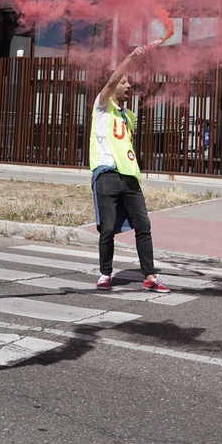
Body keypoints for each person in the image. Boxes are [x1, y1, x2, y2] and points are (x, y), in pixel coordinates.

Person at [90, 45, 170, 293]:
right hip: (107, 174)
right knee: (108, 228)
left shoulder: (130, 115)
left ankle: (149, 275)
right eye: (123, 82)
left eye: (130, 83)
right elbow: (113, 78)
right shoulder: (102, 107)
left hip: (130, 178)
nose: (128, 86)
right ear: (113, 85)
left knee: (143, 226)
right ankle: (105, 273)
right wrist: (130, 58)